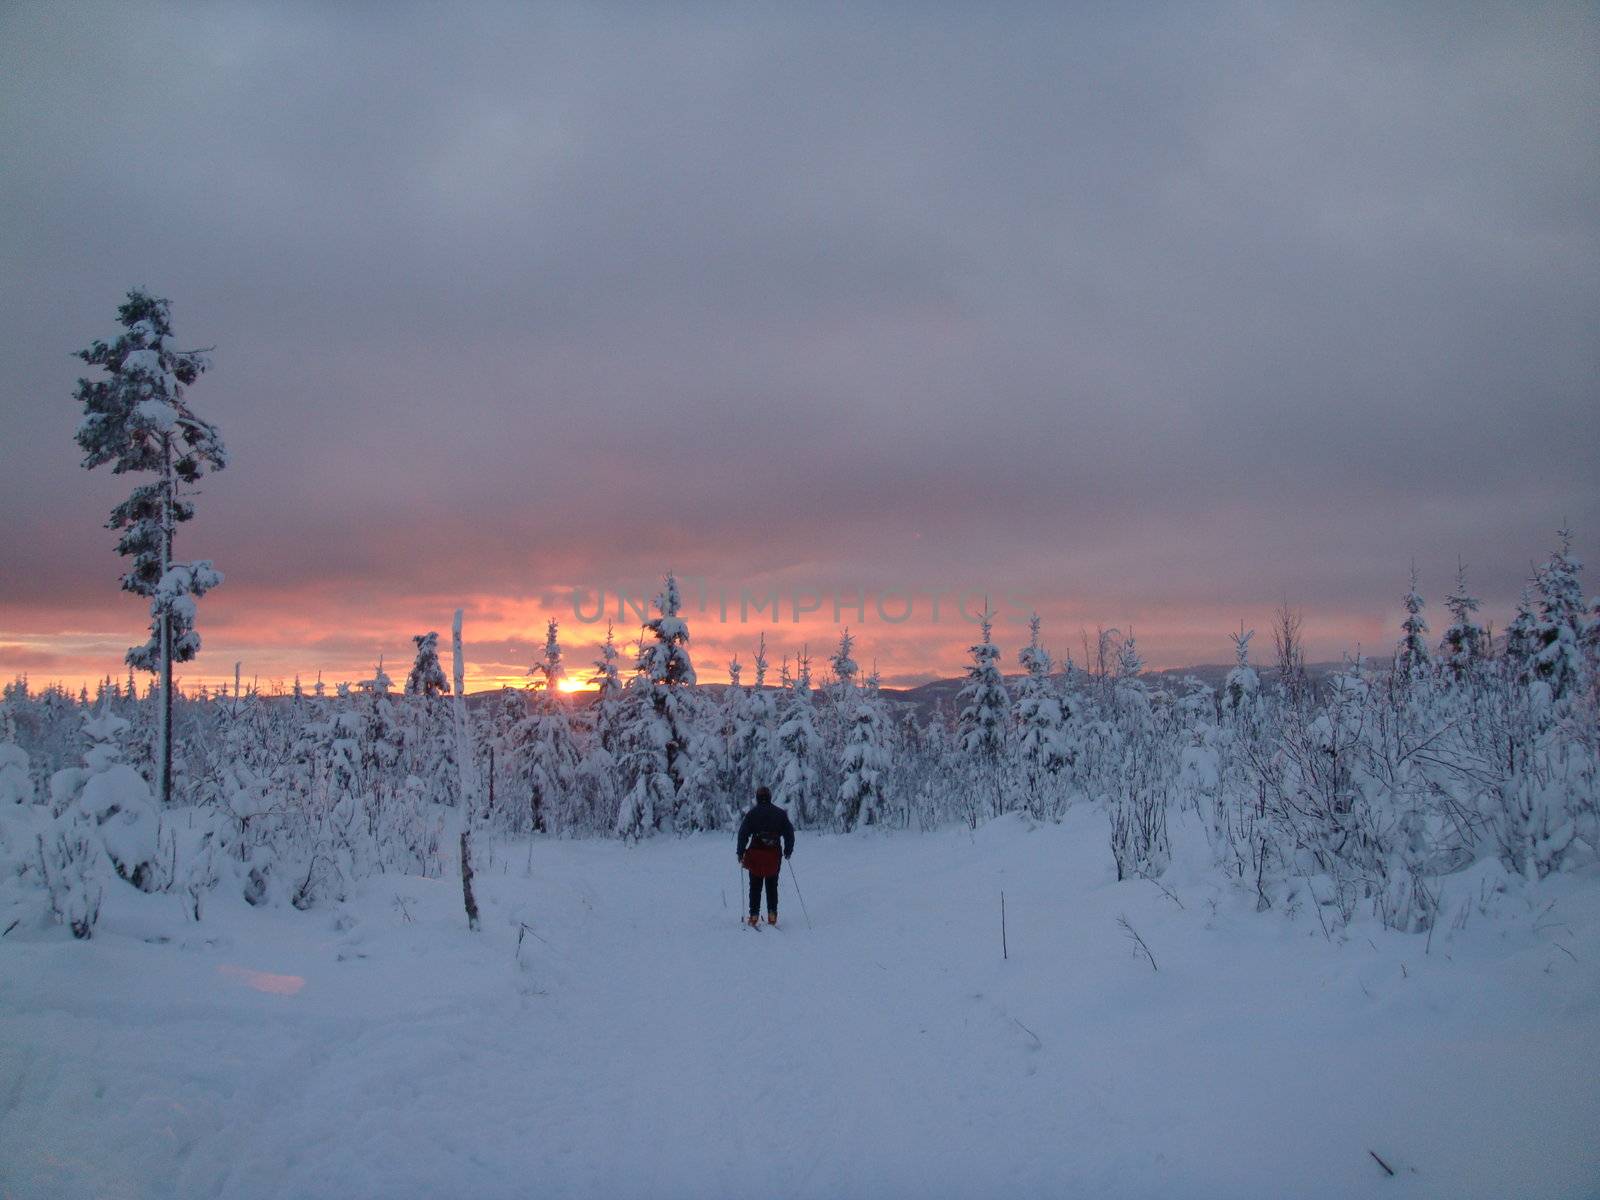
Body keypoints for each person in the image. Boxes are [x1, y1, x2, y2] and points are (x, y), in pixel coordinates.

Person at [736, 785, 795, 926]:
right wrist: (788, 850)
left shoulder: (752, 814)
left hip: (755, 855)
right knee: (772, 884)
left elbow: (743, 834)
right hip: (774, 855)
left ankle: (754, 915)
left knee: (755, 885)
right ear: (769, 797)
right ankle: (772, 914)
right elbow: (789, 833)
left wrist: (740, 852)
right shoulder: (780, 814)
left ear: (757, 798)